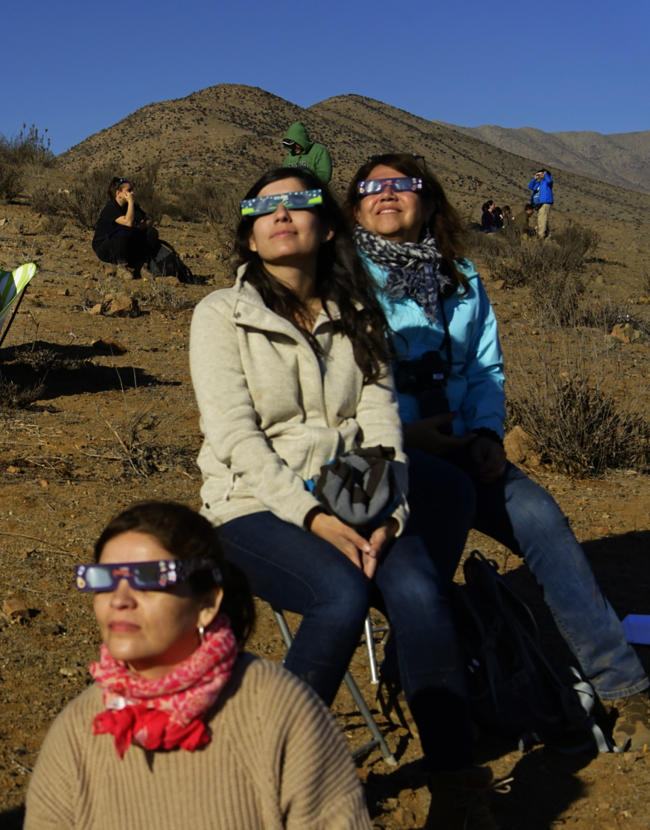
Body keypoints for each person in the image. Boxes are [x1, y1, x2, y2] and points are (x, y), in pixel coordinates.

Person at [193, 167, 496, 826]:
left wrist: (392, 511)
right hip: (252, 505)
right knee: (340, 596)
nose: (280, 213)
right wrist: (311, 516)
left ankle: (457, 788)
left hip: (360, 496)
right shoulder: (221, 315)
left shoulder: (358, 315)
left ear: (326, 227)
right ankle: (262, 785)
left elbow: (384, 421)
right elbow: (236, 438)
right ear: (248, 236)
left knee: (418, 592)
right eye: (262, 206)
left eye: (297, 202)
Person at [346, 152, 650, 754]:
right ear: (354, 206)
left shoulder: (461, 276)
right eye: (370, 186)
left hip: (462, 445)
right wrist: (407, 437)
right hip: (372, 457)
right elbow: (329, 394)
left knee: (540, 518)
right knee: (425, 547)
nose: (386, 193)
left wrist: (486, 434)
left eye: (403, 184)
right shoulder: (336, 279)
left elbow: (485, 367)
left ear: (429, 203)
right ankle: (437, 692)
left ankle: (623, 687)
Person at [24, 501, 371, 829]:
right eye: (104, 579)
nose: (119, 600)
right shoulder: (78, 730)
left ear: (206, 602)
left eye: (148, 578)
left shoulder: (279, 710)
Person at [91, 177, 158, 278]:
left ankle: (141, 265)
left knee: (151, 232)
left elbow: (149, 221)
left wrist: (140, 226)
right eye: (129, 191)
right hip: (105, 247)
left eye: (132, 190)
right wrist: (130, 202)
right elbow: (128, 222)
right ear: (118, 193)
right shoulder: (111, 207)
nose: (132, 193)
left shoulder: (131, 207)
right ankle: (121, 267)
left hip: (123, 245)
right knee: (124, 230)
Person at [528, 168, 554, 238]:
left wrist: (545, 174)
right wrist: (534, 179)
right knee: (541, 219)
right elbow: (530, 187)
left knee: (542, 219)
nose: (539, 175)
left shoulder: (547, 182)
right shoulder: (539, 183)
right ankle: (546, 234)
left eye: (540, 174)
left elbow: (549, 181)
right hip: (538, 204)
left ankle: (541, 236)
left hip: (545, 202)